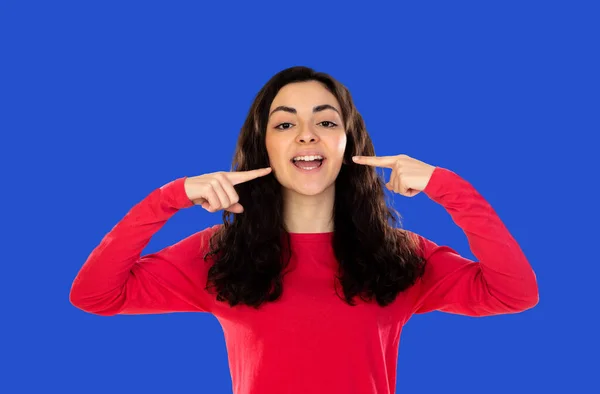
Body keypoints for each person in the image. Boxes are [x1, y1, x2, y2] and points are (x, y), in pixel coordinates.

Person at [69, 66, 539, 394]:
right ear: (265, 147)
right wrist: (170, 197)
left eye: (326, 121)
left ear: (346, 143)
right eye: (285, 123)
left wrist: (446, 185)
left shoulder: (399, 256)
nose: (306, 134)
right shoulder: (219, 254)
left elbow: (513, 293)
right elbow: (94, 295)